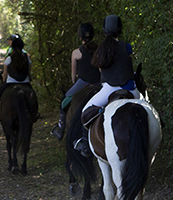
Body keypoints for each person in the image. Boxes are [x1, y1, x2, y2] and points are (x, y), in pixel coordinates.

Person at [73, 14, 139, 156]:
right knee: (147, 108)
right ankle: (159, 125)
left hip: (109, 89)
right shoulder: (127, 46)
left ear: (104, 30)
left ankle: (85, 141)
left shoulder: (101, 49)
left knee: (85, 112)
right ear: (120, 30)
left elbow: (101, 69)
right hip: (130, 88)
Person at [51, 22, 100, 140]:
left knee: (64, 102)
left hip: (83, 82)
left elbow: (73, 75)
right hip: (99, 83)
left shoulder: (76, 52)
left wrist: (75, 82)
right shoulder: (99, 50)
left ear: (80, 37)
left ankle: (60, 129)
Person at [0, 34, 32, 123]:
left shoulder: (9, 58)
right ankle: (35, 113)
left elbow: (5, 74)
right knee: (33, 96)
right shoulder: (27, 56)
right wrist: (29, 78)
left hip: (11, 82)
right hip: (25, 82)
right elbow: (29, 73)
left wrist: (4, 81)